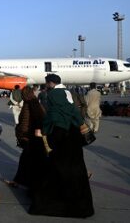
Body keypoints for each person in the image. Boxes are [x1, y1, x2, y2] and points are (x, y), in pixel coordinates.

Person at [29, 74, 94, 218]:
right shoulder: (67, 93)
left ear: (50, 83)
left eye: (46, 84)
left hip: (61, 135)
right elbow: (74, 111)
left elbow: (52, 115)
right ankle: (82, 207)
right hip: (74, 134)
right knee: (76, 169)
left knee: (56, 170)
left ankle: (55, 205)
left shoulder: (54, 95)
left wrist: (44, 132)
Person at [4, 86, 46, 188]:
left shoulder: (28, 104)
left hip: (29, 138)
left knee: (26, 161)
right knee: (29, 161)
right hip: (36, 138)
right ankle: (20, 181)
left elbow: (25, 122)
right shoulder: (36, 103)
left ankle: (22, 182)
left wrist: (21, 135)